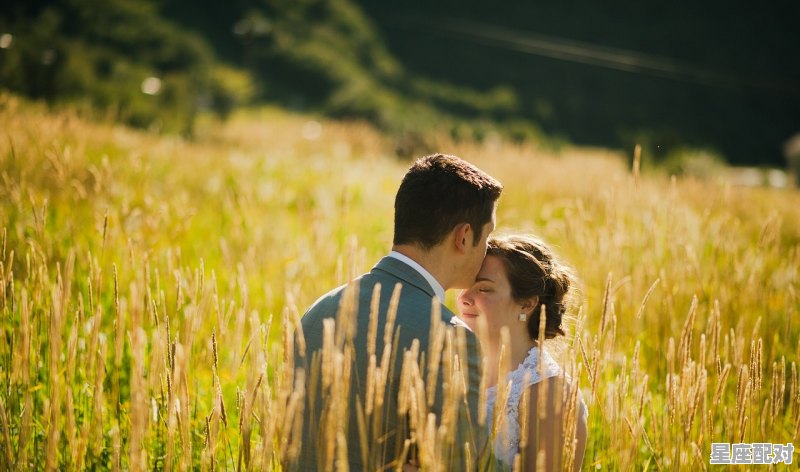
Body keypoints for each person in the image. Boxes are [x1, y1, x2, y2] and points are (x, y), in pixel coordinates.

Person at [295, 154, 503, 470]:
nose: (487, 249)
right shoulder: (449, 338)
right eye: (486, 236)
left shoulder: (318, 311)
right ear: (463, 237)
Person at [457, 235, 588, 471]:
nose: (464, 298)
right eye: (465, 286)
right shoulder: (454, 367)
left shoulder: (550, 392)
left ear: (527, 304)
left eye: (484, 289)